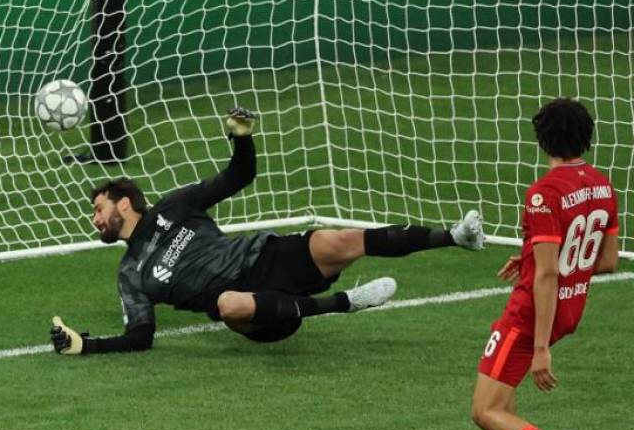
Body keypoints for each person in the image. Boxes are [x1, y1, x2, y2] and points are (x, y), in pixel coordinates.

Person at [49, 107, 486, 355]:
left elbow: (239, 176)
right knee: (227, 302)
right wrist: (85, 346)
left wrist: (241, 138)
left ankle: (454, 236)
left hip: (264, 256)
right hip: (253, 316)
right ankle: (344, 303)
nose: (95, 218)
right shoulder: (129, 274)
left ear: (124, 203)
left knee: (337, 238)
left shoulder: (175, 206)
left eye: (99, 208)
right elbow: (140, 337)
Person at [461, 98, 619, 430]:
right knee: (501, 387)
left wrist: (541, 347)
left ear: (542, 139)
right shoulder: (603, 186)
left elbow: (548, 274)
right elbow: (607, 261)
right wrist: (534, 256)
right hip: (571, 309)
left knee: (484, 410)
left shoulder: (543, 193)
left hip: (533, 314)